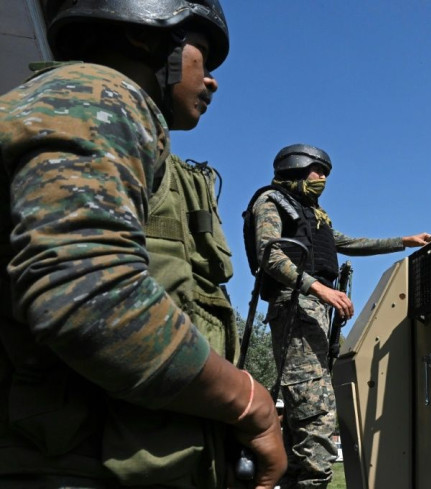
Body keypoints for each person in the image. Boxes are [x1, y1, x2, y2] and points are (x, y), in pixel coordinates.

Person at [0, 1, 286, 488]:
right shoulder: (98, 95)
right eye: (205, 57)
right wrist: (247, 401)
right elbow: (88, 296)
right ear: (145, 35)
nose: (213, 80)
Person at [242, 143, 431, 488]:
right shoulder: (270, 201)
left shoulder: (312, 213)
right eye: (318, 171)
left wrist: (403, 241)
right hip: (295, 309)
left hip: (312, 312)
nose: (323, 179)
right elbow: (268, 255)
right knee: (314, 412)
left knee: (308, 411)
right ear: (297, 167)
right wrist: (319, 288)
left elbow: (346, 242)